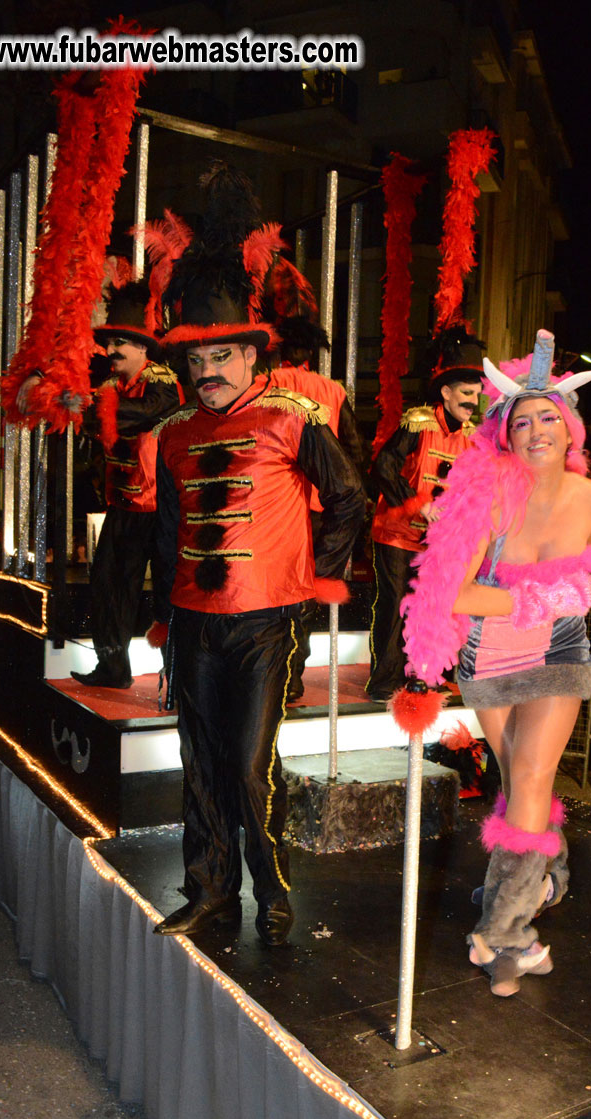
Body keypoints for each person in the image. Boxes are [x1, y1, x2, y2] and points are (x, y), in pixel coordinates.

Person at [401, 329, 591, 996]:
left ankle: (503, 931)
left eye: (547, 417)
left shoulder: (589, 496)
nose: (536, 431)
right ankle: (540, 871)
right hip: (490, 654)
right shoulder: (488, 498)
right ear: (504, 434)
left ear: (570, 427)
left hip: (560, 651)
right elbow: (453, 592)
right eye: (522, 421)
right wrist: (530, 598)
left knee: (529, 775)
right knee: (521, 780)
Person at [150, 165, 365, 947]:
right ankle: (209, 890)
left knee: (246, 767)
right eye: (195, 360)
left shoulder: (290, 418)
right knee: (201, 767)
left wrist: (325, 578)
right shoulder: (172, 430)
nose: (207, 373)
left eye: (222, 357)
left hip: (265, 624)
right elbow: (170, 524)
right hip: (191, 622)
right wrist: (159, 608)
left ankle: (270, 888)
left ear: (251, 352)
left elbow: (348, 497)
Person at [17, 278, 182, 688]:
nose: (109, 353)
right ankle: (112, 667)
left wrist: (84, 404)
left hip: (162, 509)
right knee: (107, 586)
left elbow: (138, 415)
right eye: (108, 345)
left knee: (170, 593)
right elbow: (99, 416)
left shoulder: (162, 381)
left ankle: (180, 675)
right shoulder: (110, 386)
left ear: (142, 348)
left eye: (118, 345)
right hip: (125, 507)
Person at [365, 326, 484, 701]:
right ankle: (384, 682)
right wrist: (420, 503)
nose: (473, 402)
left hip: (437, 542)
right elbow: (383, 466)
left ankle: (425, 675)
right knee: (396, 603)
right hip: (398, 532)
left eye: (477, 394)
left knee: (433, 607)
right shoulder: (418, 421)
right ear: (446, 392)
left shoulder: (471, 434)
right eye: (466, 394)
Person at [266, 315, 364, 702]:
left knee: (271, 592)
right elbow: (354, 451)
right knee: (304, 593)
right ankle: (292, 676)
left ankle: (273, 673)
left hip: (279, 505)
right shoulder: (332, 390)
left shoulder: (268, 385)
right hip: (324, 508)